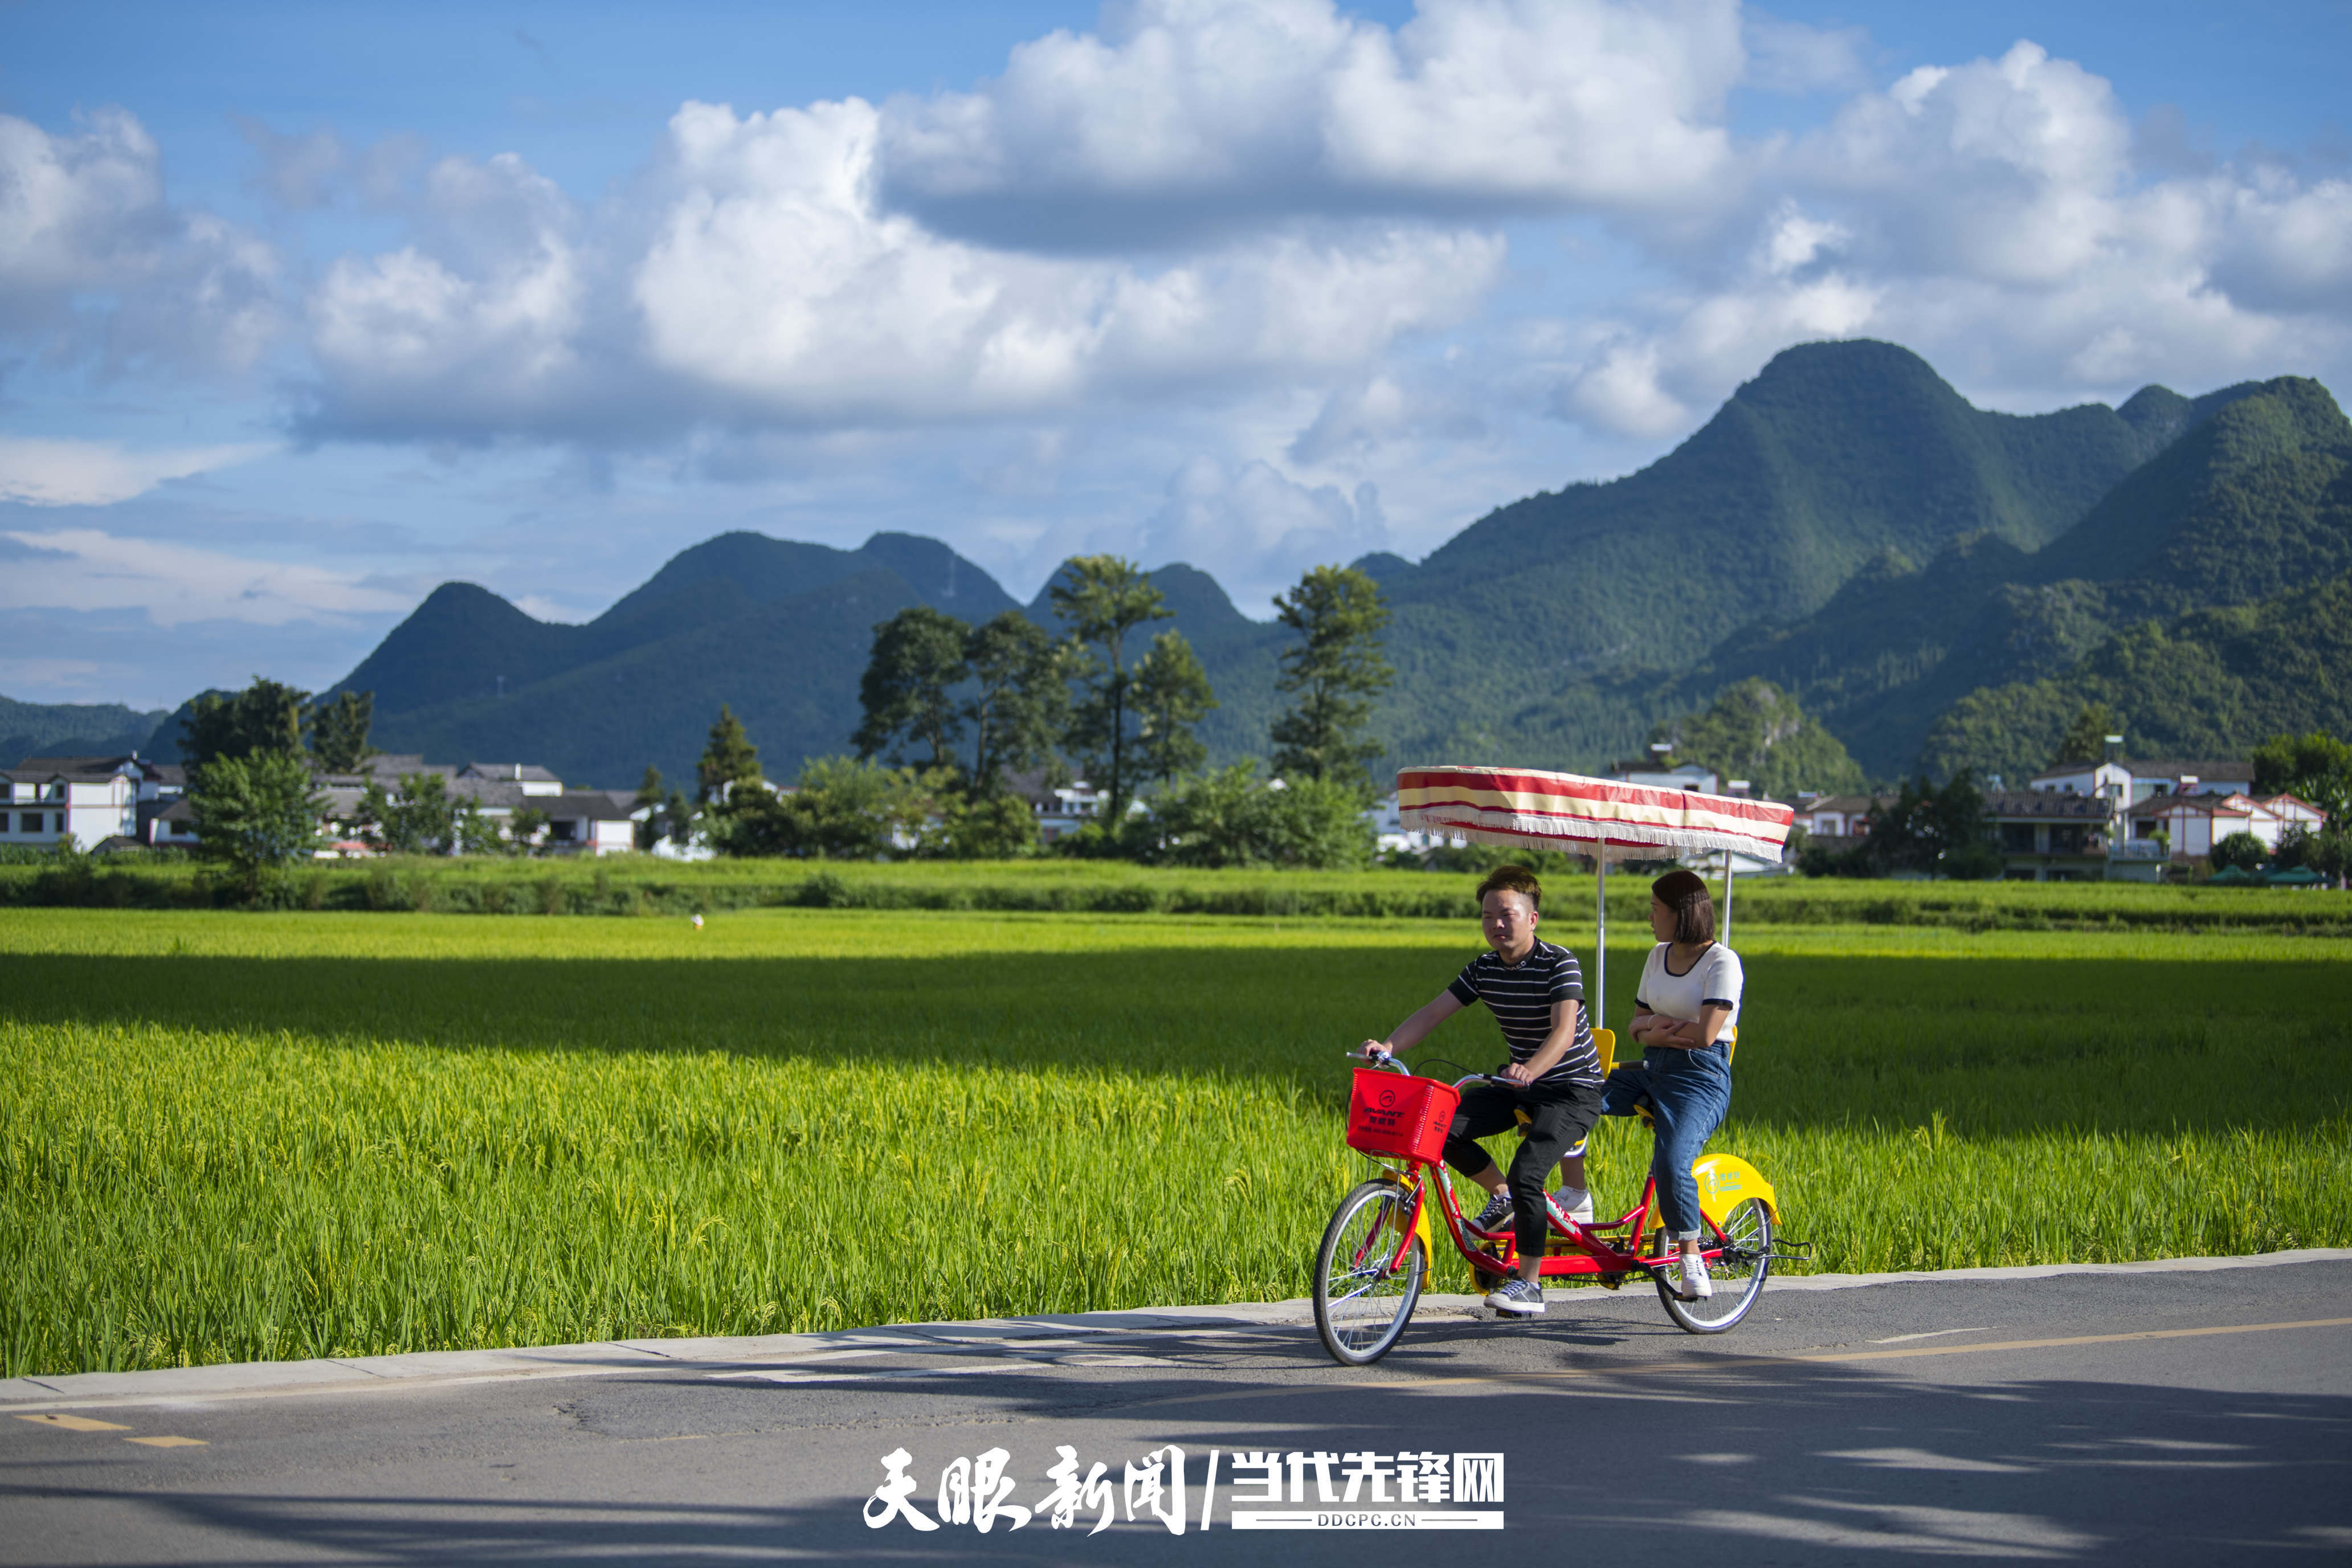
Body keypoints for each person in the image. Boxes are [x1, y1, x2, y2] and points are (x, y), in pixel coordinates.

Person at [1362, 864, 1604, 1317]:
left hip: (1573, 1088)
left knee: (1528, 1171)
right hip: (1519, 1085)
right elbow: (1433, 1013)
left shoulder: (1559, 962)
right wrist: (1388, 1045)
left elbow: (1564, 1031)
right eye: (1488, 915)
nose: (1496, 924)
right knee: (1439, 1128)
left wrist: (1531, 1069)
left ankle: (1529, 1284)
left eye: (1507, 914)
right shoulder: (1485, 968)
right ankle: (1502, 1196)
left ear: (1532, 918)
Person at [1597, 868, 1743, 1301]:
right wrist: (1655, 1031)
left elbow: (1705, 1035)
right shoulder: (1656, 955)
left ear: (1681, 913)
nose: (1650, 917)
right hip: (1651, 1065)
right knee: (1572, 1093)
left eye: (1655, 909)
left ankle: (1691, 1255)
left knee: (1673, 1160)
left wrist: (1654, 1029)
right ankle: (1575, 1195)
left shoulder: (1722, 962)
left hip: (1700, 1075)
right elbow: (1635, 1023)